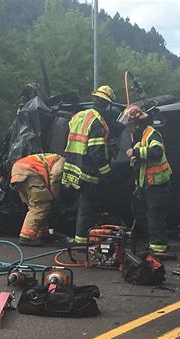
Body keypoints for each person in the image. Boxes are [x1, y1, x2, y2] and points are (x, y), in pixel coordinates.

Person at [62, 85, 115, 245]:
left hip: (72, 167)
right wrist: (107, 172)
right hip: (88, 172)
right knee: (88, 208)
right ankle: (82, 243)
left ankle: (82, 240)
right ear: (106, 104)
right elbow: (96, 152)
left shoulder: (79, 116)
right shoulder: (97, 122)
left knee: (82, 207)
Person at [118, 104, 172, 253]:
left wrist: (136, 151)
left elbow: (156, 152)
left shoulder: (151, 133)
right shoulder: (141, 136)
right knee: (146, 214)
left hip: (158, 184)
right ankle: (154, 244)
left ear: (136, 123)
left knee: (155, 216)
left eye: (130, 125)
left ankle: (158, 248)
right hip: (148, 184)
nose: (129, 128)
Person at [10, 153, 65, 246]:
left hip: (19, 171)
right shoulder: (61, 160)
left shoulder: (50, 157)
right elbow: (55, 177)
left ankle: (43, 234)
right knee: (41, 206)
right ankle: (27, 237)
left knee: (35, 206)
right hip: (29, 172)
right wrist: (54, 195)